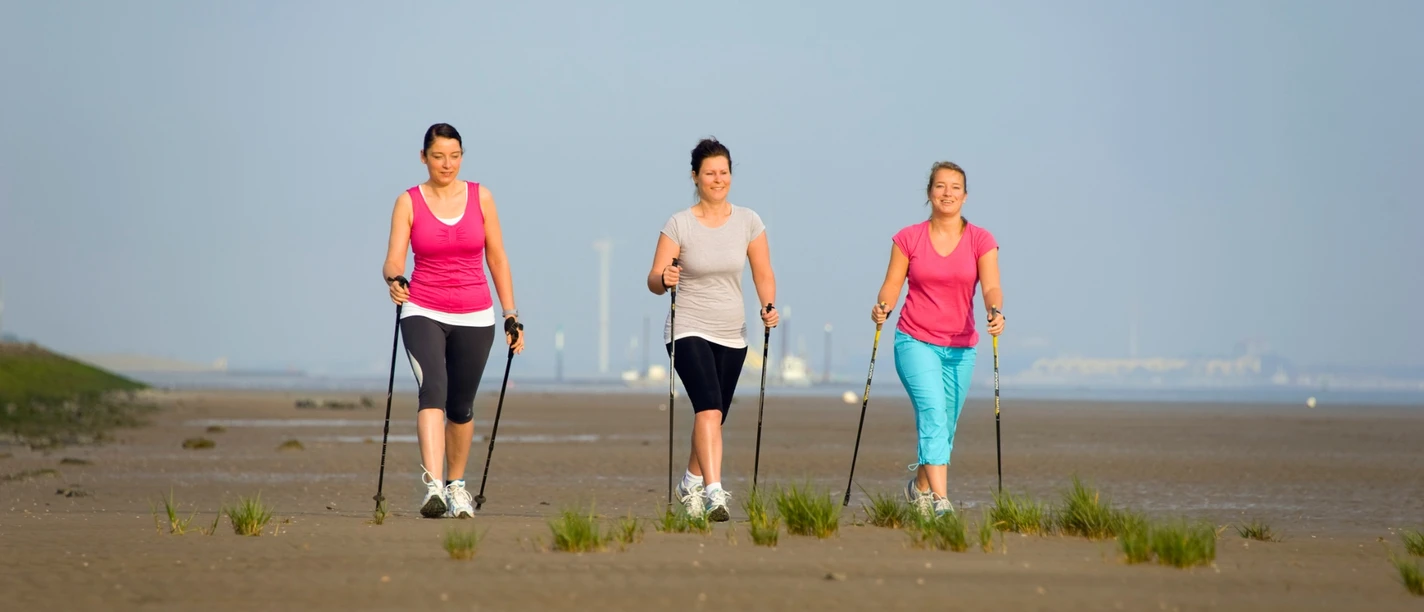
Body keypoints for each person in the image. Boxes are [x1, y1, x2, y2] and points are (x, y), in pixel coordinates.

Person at [382, 123, 525, 519]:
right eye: (439, 155)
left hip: (476, 314)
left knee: (461, 406)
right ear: (423, 157)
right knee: (434, 391)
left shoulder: (482, 197)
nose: (447, 164)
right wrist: (395, 278)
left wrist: (510, 314)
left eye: (455, 155)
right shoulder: (408, 201)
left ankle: (456, 486)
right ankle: (433, 486)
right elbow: (394, 258)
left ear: (462, 156)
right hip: (422, 307)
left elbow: (497, 257)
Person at [646, 138, 778, 522]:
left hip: (732, 332)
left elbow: (763, 272)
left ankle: (690, 479)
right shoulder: (679, 224)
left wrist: (768, 306)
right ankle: (713, 492)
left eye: (723, 172)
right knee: (707, 407)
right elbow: (654, 279)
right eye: (709, 174)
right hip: (687, 327)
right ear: (695, 177)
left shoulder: (749, 221)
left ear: (731, 175)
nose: (717, 180)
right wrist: (664, 277)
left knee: (714, 415)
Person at [870, 161, 1003, 518]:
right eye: (941, 186)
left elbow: (991, 286)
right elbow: (893, 283)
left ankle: (920, 488)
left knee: (946, 424)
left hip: (961, 347)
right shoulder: (908, 238)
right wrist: (882, 306)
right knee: (932, 414)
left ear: (965, 195)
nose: (947, 193)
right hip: (914, 339)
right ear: (930, 192)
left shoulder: (981, 240)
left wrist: (995, 311)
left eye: (955, 187)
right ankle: (942, 502)